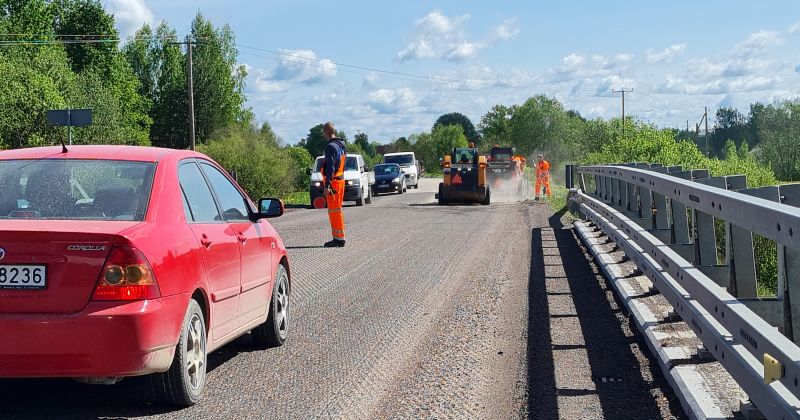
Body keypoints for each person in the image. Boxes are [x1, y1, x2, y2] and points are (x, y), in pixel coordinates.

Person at [321, 122, 347, 247]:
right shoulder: (341, 145)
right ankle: (338, 237)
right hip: (340, 181)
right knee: (337, 210)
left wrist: (327, 185)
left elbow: (330, 167)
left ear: (325, 133)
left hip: (334, 183)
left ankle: (339, 239)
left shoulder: (331, 147)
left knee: (334, 211)